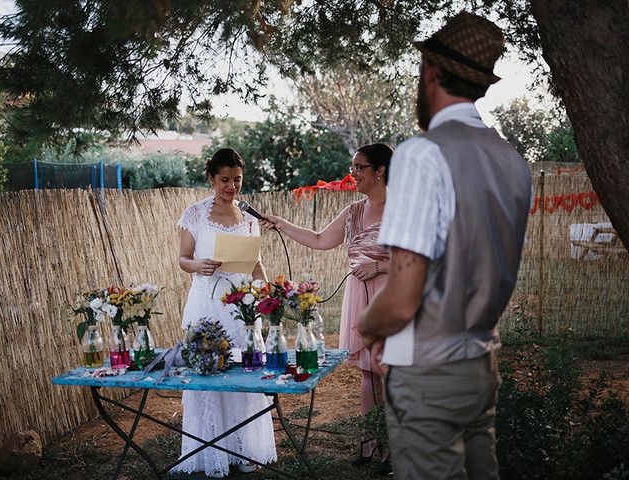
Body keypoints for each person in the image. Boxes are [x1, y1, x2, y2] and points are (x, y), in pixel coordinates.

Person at [358, 11, 532, 480]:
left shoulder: (422, 154)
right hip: (480, 366)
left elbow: (399, 301)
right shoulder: (512, 161)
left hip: (429, 375)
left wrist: (366, 325)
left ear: (430, 70)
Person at [259, 143, 393, 467]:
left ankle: (395, 449)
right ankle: (368, 443)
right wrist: (282, 224)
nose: (353, 174)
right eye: (352, 167)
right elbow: (319, 239)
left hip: (392, 294)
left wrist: (380, 266)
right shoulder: (353, 212)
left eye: (359, 167)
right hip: (358, 296)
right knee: (369, 374)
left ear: (380, 170)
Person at [173, 148, 277, 477]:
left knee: (245, 372)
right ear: (211, 178)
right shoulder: (195, 214)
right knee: (209, 375)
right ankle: (209, 451)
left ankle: (247, 450)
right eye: (225, 180)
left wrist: (265, 291)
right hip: (205, 303)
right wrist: (198, 266)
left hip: (241, 309)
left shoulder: (248, 220)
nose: (231, 187)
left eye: (237, 180)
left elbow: (255, 263)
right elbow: (183, 258)